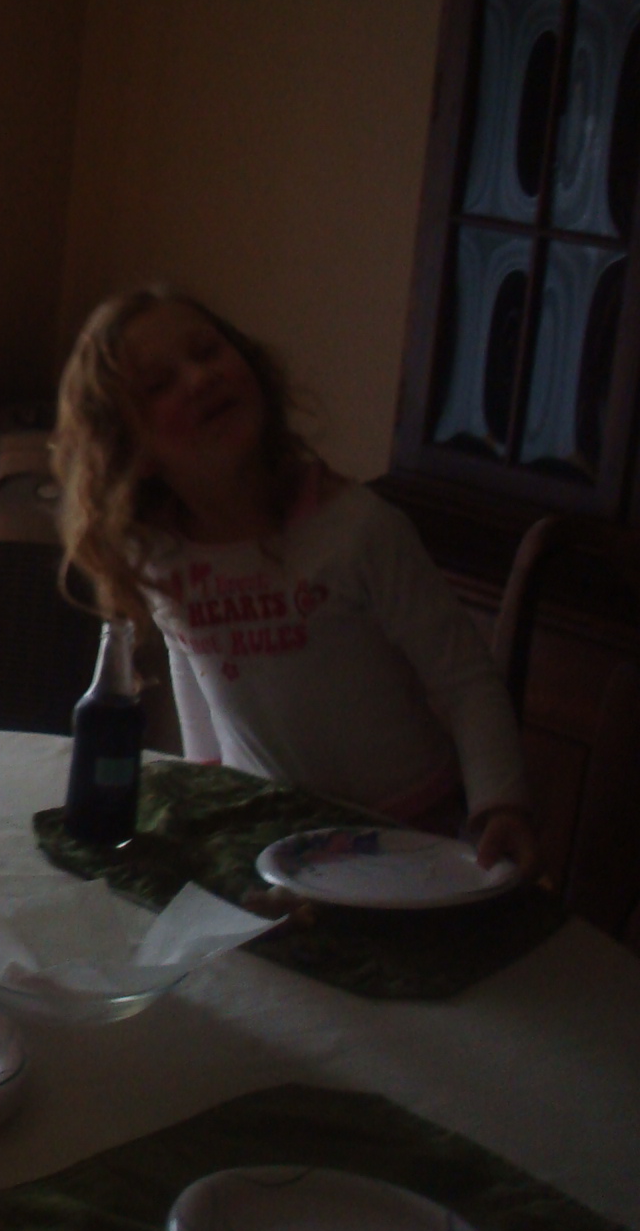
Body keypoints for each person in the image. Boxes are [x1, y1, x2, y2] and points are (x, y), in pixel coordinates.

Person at [50, 284, 536, 873]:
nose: (199, 378)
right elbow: (192, 664)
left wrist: (498, 806)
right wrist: (208, 782)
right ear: (134, 452)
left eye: (207, 351)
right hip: (271, 833)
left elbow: (466, 681)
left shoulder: (358, 531)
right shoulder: (159, 556)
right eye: (159, 385)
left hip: (405, 832)